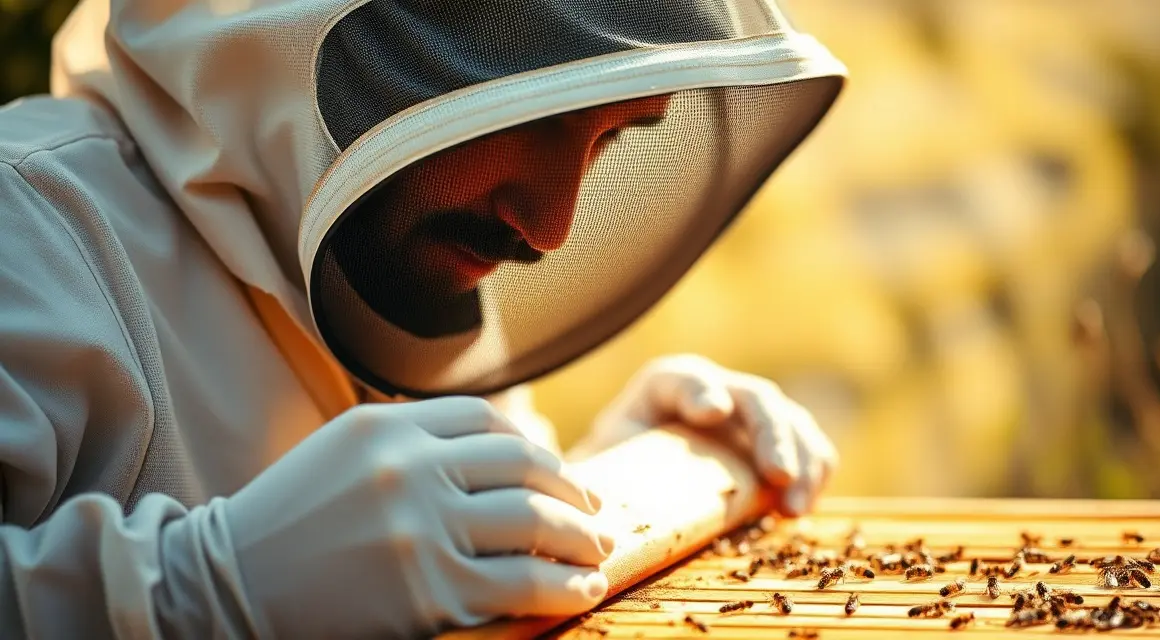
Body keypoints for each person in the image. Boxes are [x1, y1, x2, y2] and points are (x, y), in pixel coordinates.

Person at [0, 0, 846, 637]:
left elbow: (402, 570)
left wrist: (600, 492)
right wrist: (206, 592)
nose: (551, 226)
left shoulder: (413, 256)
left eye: (610, 137)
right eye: (533, 113)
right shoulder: (28, 223)